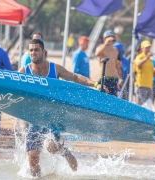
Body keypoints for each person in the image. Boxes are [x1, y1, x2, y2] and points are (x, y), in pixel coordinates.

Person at [19, 39, 99, 177]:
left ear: (43, 52)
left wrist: (95, 84)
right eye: (31, 50)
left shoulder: (54, 68)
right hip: (34, 118)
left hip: (52, 116)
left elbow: (74, 77)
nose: (33, 53)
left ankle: (64, 151)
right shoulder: (23, 71)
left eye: (36, 50)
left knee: (51, 146)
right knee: (32, 160)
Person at [95, 30, 122, 96]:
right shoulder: (101, 48)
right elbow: (97, 53)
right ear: (104, 38)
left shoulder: (115, 50)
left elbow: (116, 66)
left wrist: (120, 79)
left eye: (112, 37)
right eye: (108, 37)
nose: (110, 39)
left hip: (114, 78)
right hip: (104, 78)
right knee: (103, 97)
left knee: (113, 99)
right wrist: (106, 43)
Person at [133, 40, 154, 106]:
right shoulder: (139, 57)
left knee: (147, 105)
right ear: (142, 48)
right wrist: (146, 57)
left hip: (149, 85)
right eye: (146, 48)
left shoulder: (150, 59)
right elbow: (138, 64)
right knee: (140, 105)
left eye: (149, 48)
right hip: (141, 85)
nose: (148, 49)